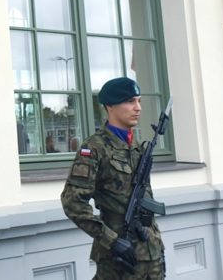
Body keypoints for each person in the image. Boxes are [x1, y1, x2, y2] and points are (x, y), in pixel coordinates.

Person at [61, 77, 164, 279]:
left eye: (139, 101)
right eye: (130, 101)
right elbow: (72, 202)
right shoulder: (94, 148)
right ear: (110, 106)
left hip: (150, 255)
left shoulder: (137, 147)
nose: (138, 108)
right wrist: (112, 240)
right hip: (119, 260)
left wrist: (157, 248)